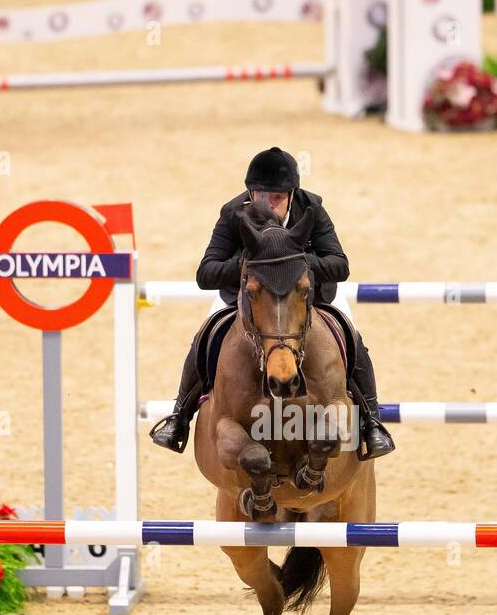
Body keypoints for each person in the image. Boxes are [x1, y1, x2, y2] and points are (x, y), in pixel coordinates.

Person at [148, 147, 395, 460]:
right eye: (261, 195)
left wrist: (294, 262)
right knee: (205, 335)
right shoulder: (233, 212)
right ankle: (179, 417)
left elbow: (340, 264)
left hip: (309, 297)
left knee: (352, 335)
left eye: (277, 197)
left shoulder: (312, 208)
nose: (269, 203)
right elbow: (206, 272)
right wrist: (249, 264)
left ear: (292, 194)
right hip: (251, 297)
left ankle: (372, 422)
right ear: (251, 192)